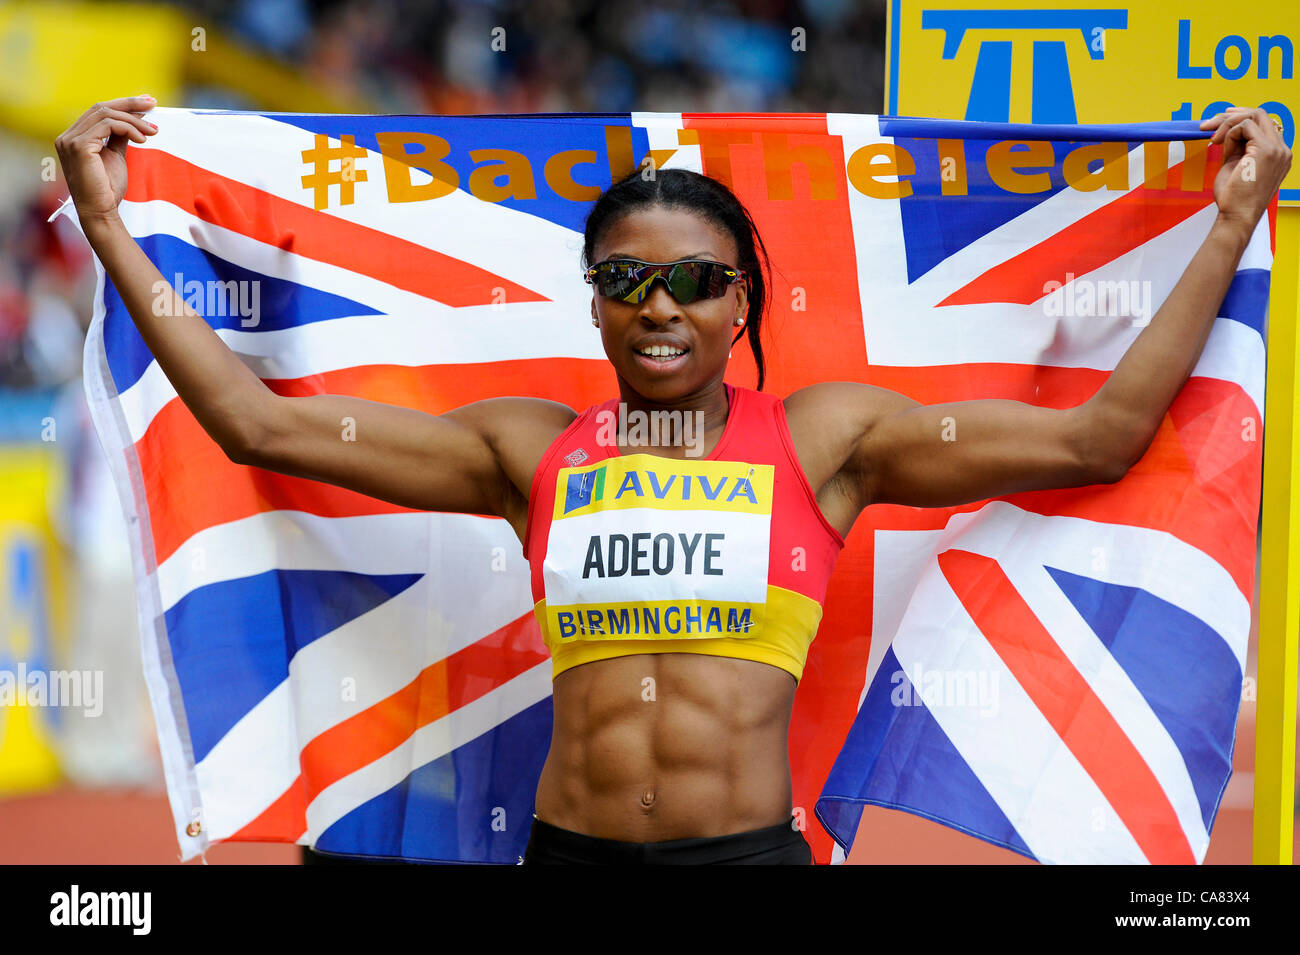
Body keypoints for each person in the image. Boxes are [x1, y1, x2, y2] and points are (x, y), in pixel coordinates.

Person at [56, 97, 1290, 865]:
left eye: (696, 282)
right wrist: (111, 229)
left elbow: (1099, 441)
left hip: (747, 861)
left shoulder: (824, 443)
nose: (662, 308)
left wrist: (1230, 224)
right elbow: (256, 425)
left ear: (741, 300)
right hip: (566, 855)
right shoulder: (527, 450)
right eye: (628, 282)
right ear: (593, 302)